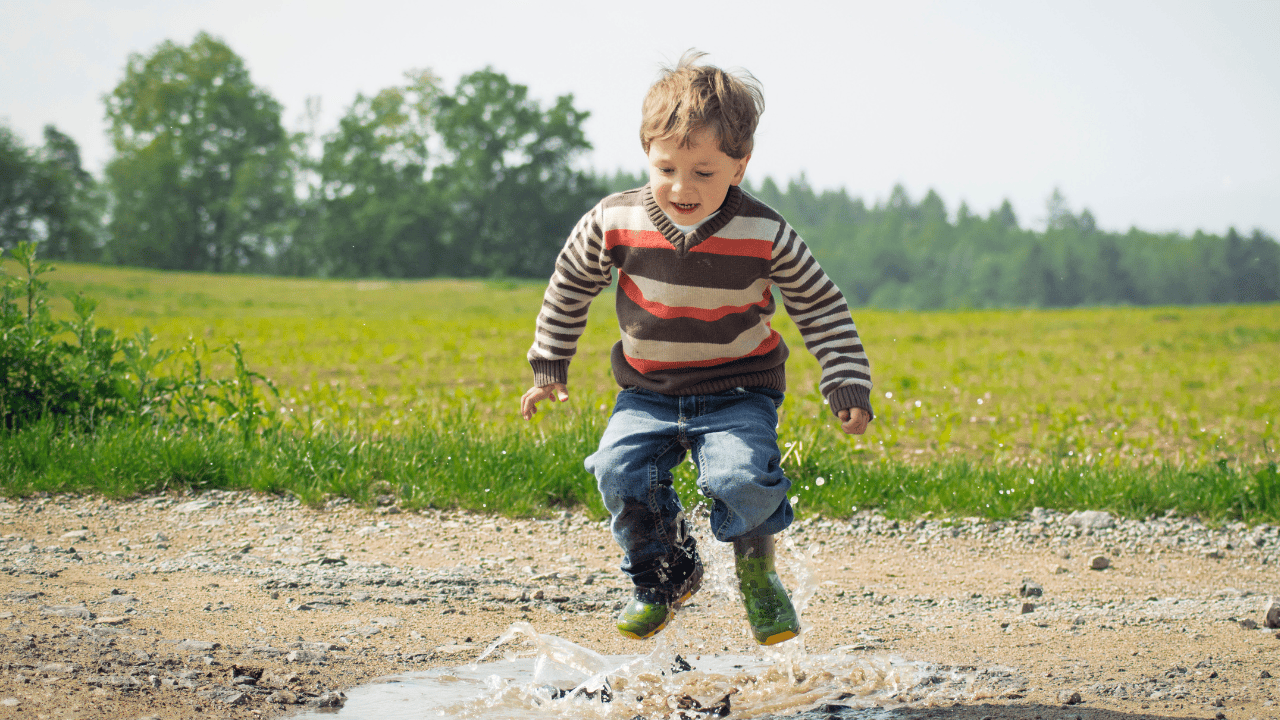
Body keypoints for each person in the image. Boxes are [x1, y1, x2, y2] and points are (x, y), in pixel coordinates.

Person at [520, 50, 873, 646]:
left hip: (739, 390)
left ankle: (758, 572)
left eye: (704, 173)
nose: (682, 188)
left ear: (739, 166)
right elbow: (569, 284)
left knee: (739, 478)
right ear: (648, 156)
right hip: (647, 392)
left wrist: (845, 380)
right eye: (667, 169)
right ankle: (663, 575)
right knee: (618, 470)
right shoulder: (615, 219)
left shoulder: (766, 233)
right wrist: (549, 362)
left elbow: (819, 305)